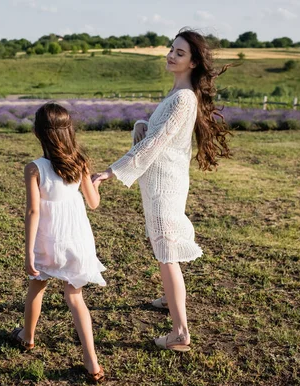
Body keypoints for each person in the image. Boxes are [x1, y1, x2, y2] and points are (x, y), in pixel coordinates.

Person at [92, 28, 231, 352]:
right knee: (161, 245)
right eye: (171, 49)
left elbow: (156, 143)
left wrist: (113, 171)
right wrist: (141, 125)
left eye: (179, 53)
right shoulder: (178, 94)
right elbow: (158, 133)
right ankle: (170, 299)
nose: (171, 55)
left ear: (194, 62)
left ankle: (180, 333)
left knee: (166, 249)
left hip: (165, 184)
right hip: (161, 180)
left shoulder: (183, 98)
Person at [11, 102, 106, 383]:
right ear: (69, 131)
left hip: (48, 241)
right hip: (77, 240)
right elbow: (94, 202)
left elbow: (33, 212)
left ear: (38, 133)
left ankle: (27, 337)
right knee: (75, 298)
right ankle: (92, 363)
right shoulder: (80, 161)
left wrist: (28, 252)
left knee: (37, 288)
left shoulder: (34, 168)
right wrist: (95, 182)